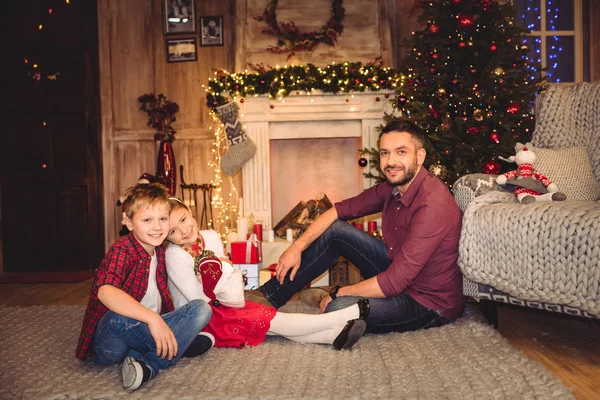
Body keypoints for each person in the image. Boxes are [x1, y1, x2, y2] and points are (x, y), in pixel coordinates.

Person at [247, 119, 465, 334]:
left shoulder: (432, 205)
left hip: (427, 303)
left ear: (420, 156)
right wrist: (295, 247)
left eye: (401, 152)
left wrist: (340, 293)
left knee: (338, 308)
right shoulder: (393, 188)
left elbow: (394, 283)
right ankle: (268, 296)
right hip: (397, 274)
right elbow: (337, 211)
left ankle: (330, 296)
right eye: (384, 153)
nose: (390, 161)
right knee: (336, 231)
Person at [165, 198, 370, 350]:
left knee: (269, 323)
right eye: (173, 231)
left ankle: (333, 336)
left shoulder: (209, 236)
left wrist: (220, 269)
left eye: (183, 219)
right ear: (167, 236)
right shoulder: (174, 255)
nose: (183, 230)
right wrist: (222, 267)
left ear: (189, 211)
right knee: (272, 320)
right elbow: (199, 300)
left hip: (225, 303)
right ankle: (338, 318)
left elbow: (225, 276)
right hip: (203, 318)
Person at [75, 183, 214, 392]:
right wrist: (154, 319)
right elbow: (105, 291)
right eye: (147, 220)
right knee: (117, 317)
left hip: (143, 330)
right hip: (112, 340)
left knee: (202, 308)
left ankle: (147, 363)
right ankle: (175, 346)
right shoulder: (122, 250)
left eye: (163, 219)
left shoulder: (160, 252)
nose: (157, 227)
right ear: (129, 223)